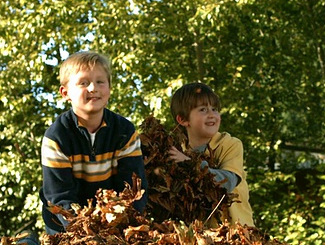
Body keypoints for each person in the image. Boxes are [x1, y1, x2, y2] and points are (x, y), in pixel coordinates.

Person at [39, 51, 148, 234]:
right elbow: (59, 196)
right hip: (65, 226)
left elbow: (134, 186)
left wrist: (124, 222)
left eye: (100, 82)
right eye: (83, 83)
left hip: (115, 221)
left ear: (109, 88)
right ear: (65, 93)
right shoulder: (56, 138)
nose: (93, 88)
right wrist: (85, 229)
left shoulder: (124, 131)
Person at [168, 82, 254, 226]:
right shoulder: (179, 152)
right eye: (202, 109)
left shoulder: (229, 144)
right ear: (182, 119)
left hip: (238, 234)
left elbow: (227, 182)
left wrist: (189, 164)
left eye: (214, 109)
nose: (211, 115)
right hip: (201, 238)